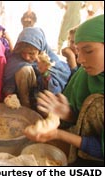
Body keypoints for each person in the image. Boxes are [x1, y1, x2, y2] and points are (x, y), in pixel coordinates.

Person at [24, 15, 104, 164]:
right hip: (82, 149)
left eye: (88, 51)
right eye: (78, 51)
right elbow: (82, 119)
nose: (79, 60)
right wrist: (68, 114)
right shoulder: (85, 75)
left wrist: (58, 134)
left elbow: (101, 149)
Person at [2, 27, 71, 110]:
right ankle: (26, 108)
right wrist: (9, 96)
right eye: (23, 52)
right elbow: (8, 85)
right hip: (22, 98)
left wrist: (45, 73)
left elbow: (54, 90)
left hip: (42, 99)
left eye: (31, 53)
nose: (27, 57)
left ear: (40, 50)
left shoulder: (49, 60)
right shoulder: (15, 59)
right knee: (24, 70)